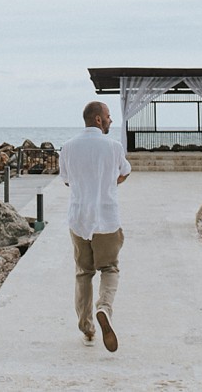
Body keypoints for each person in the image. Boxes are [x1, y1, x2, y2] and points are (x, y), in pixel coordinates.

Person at [58, 100, 131, 352]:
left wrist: (85, 186)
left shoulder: (67, 148)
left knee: (83, 273)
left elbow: (66, 181)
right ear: (98, 119)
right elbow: (125, 172)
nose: (111, 120)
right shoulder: (113, 146)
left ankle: (87, 329)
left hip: (79, 220)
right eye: (108, 116)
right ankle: (104, 308)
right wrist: (108, 185)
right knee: (110, 268)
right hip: (107, 220)